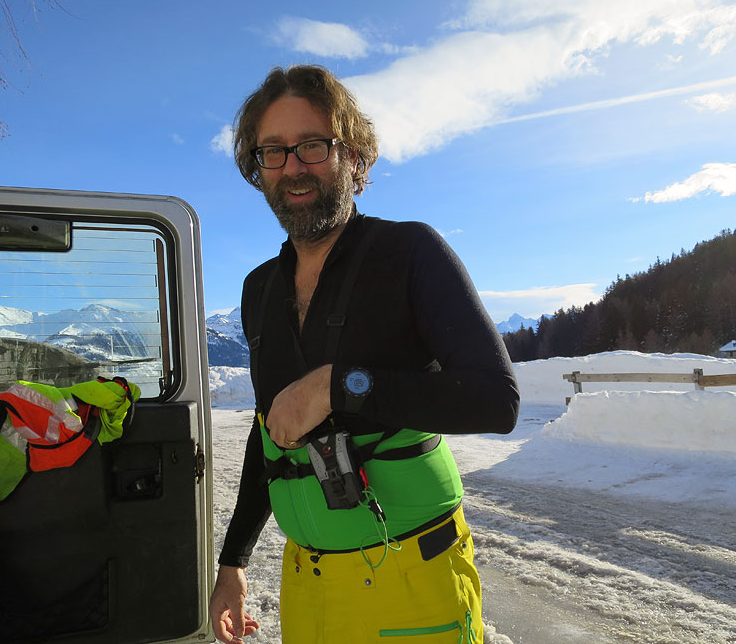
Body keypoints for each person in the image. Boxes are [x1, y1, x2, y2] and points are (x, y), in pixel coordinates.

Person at [208, 64, 520, 644]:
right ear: (258, 168)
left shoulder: (409, 252)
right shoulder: (259, 289)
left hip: (412, 579)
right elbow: (270, 432)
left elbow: (495, 400)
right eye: (273, 151)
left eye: (312, 145)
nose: (292, 167)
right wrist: (234, 563)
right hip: (307, 581)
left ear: (353, 156)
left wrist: (339, 386)